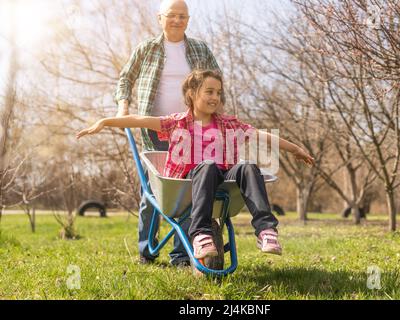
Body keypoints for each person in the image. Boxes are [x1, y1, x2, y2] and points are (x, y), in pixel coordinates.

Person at [78, 70, 315, 258]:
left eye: (218, 92)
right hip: (189, 182)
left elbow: (260, 136)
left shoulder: (228, 124)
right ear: (192, 94)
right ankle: (201, 233)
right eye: (209, 91)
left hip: (221, 179)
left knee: (248, 167)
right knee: (208, 164)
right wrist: (105, 121)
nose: (215, 97)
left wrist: (295, 148)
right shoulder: (177, 123)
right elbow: (140, 119)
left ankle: (265, 229)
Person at [115, 0, 221, 266]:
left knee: (187, 190)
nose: (177, 20)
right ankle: (146, 252)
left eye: (182, 16)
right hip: (156, 131)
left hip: (191, 132)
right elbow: (126, 78)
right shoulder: (147, 48)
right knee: (153, 191)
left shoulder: (199, 49)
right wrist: (123, 107)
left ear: (188, 19)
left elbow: (216, 80)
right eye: (172, 15)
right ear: (159, 18)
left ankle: (181, 255)